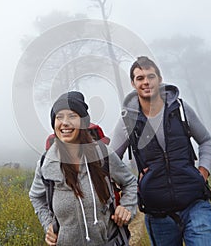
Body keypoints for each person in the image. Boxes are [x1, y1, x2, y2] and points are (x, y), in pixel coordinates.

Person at [110, 56, 211, 246]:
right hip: (157, 214)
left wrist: (203, 172)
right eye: (140, 78)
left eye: (150, 76)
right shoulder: (128, 121)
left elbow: (206, 141)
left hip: (195, 203)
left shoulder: (181, 109)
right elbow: (110, 161)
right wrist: (132, 185)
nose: (146, 82)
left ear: (159, 79)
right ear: (133, 83)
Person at [29, 91, 137, 246]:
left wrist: (126, 207)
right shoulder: (46, 164)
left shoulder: (102, 154)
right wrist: (48, 226)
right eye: (59, 117)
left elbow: (130, 182)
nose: (65, 122)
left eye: (72, 116)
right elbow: (36, 197)